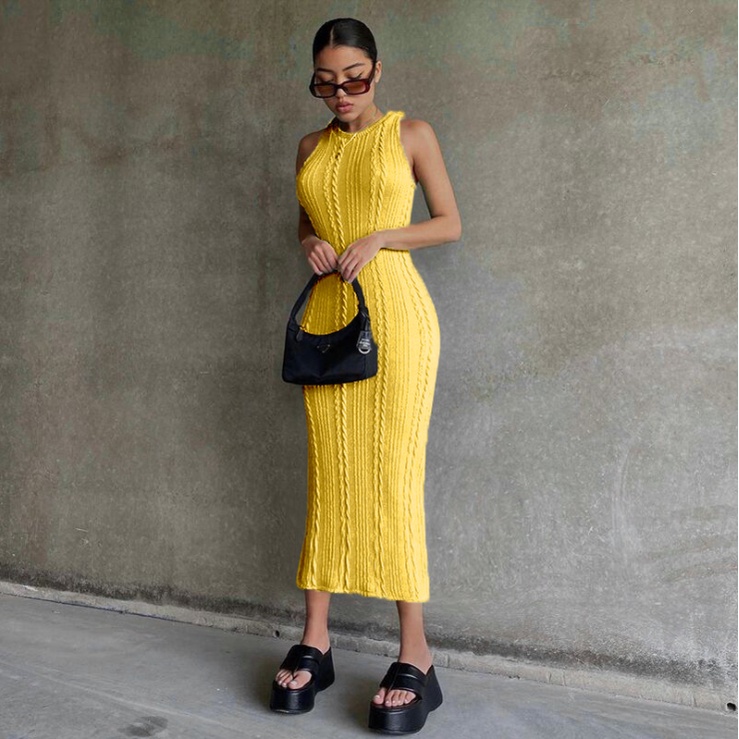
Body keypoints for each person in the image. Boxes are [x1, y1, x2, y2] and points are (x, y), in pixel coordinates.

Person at [270, 17, 461, 734]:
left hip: (397, 319)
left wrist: (382, 236)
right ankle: (316, 640)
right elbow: (306, 220)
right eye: (325, 83)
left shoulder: (410, 134)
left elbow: (448, 222)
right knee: (330, 474)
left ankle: (416, 654)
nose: (341, 93)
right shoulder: (309, 147)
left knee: (393, 477)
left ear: (376, 72)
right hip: (329, 318)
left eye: (353, 79)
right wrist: (312, 241)